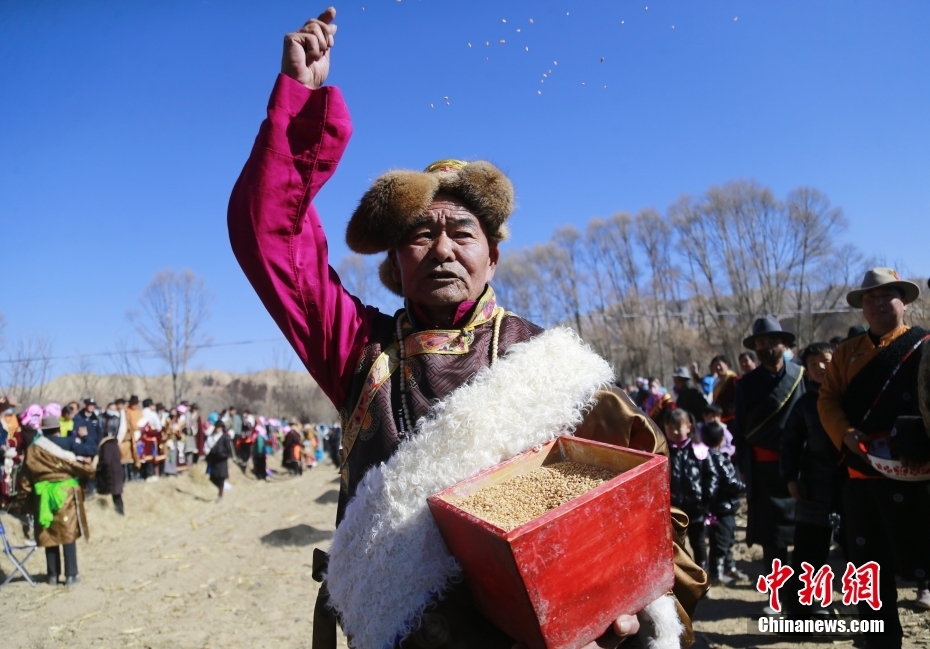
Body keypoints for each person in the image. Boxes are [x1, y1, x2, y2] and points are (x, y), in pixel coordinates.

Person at [227, 9, 706, 649]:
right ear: (395, 265)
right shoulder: (360, 353)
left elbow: (638, 503)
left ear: (493, 257)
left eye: (462, 231)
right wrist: (300, 105)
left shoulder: (545, 362)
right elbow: (270, 238)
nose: (443, 248)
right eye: (420, 234)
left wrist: (618, 601)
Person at [818, 268, 930, 644]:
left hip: (916, 476)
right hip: (861, 476)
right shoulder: (846, 353)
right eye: (871, 298)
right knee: (869, 571)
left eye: (886, 296)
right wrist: (845, 433)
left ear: (904, 302)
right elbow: (827, 400)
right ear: (862, 307)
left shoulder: (924, 346)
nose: (878, 303)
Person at [732, 317, 804, 571]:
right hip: (763, 471)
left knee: (806, 531)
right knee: (771, 537)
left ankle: (805, 587)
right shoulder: (745, 384)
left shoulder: (800, 375)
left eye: (773, 340)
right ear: (755, 348)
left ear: (784, 344)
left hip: (800, 466)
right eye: (761, 343)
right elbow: (740, 431)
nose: (767, 347)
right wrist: (743, 466)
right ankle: (777, 588)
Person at [780, 341, 845, 615]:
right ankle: (800, 614)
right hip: (814, 487)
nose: (820, 367)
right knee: (808, 555)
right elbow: (789, 444)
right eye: (813, 364)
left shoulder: (853, 396)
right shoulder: (805, 404)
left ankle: (867, 616)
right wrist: (790, 478)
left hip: (853, 485)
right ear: (806, 371)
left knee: (860, 554)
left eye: (825, 360)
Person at [19, 417, 94, 586]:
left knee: (49, 533)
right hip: (65, 493)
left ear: (43, 430)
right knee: (68, 532)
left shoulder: (32, 449)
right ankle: (71, 575)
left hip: (43, 494)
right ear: (58, 429)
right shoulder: (67, 443)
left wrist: (27, 500)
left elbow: (24, 479)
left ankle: (52, 575)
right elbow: (82, 466)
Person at [664, 408, 716, 570]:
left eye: (678, 427)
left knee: (698, 542)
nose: (674, 431)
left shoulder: (699, 450)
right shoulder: (663, 452)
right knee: (677, 545)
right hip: (673, 511)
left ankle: (702, 571)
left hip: (696, 508)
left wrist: (706, 498)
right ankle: (682, 574)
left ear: (689, 427)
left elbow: (711, 475)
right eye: (670, 427)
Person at [702, 421, 746, 585]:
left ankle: (729, 567)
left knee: (726, 539)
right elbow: (729, 482)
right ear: (722, 439)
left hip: (718, 508)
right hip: (722, 508)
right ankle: (716, 574)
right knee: (721, 542)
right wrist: (745, 487)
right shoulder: (718, 458)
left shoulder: (705, 457)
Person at [96, 404, 126, 515]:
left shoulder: (106, 445)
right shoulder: (114, 444)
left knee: (116, 495)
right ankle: (119, 512)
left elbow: (106, 460)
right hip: (117, 471)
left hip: (111, 473)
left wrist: (98, 466)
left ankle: (119, 513)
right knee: (117, 495)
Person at [204, 420, 231, 502]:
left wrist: (223, 454)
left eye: (219, 427)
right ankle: (222, 488)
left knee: (221, 478)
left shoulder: (224, 438)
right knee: (212, 478)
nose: (218, 429)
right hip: (213, 460)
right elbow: (207, 447)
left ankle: (220, 496)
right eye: (217, 427)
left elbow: (228, 450)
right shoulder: (211, 437)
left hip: (222, 461)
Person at [708, 355, 738, 424]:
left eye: (719, 365)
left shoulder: (734, 379)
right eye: (715, 366)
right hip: (721, 418)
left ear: (726, 364)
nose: (718, 368)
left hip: (733, 417)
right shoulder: (717, 383)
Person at [121, 395, 142, 482]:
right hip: (131, 436)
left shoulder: (139, 412)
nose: (135, 405)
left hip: (139, 434)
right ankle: (131, 474)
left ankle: (138, 473)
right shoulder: (127, 411)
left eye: (136, 403)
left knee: (140, 455)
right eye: (133, 403)